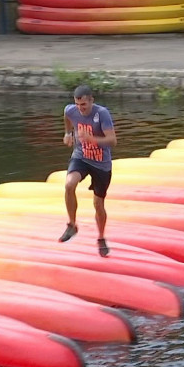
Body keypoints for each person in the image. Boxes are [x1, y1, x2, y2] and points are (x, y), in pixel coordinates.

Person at [60, 85, 117, 257]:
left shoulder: (102, 114)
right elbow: (67, 116)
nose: (80, 108)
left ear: (91, 101)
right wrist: (68, 133)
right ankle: (71, 225)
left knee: (98, 204)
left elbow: (113, 140)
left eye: (84, 104)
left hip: (101, 163)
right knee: (69, 184)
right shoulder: (71, 110)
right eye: (77, 104)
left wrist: (92, 139)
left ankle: (101, 238)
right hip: (81, 157)